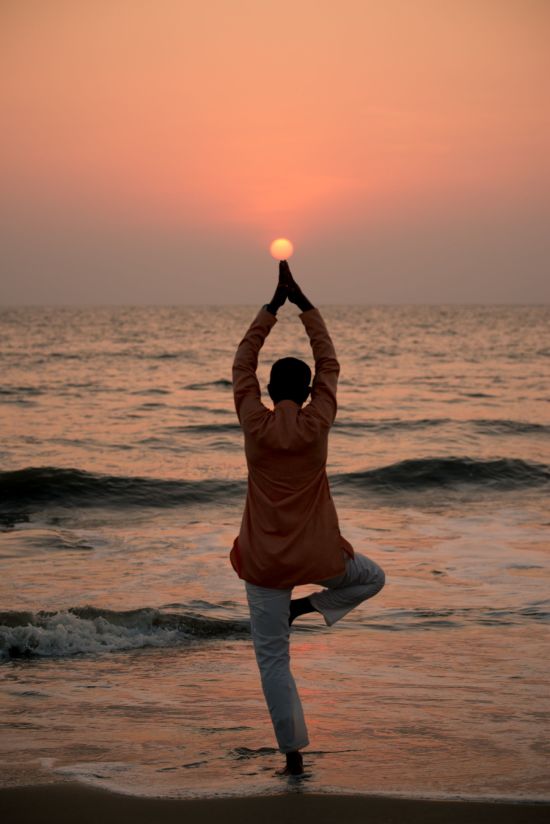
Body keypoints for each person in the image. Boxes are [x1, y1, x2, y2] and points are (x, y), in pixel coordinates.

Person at [230, 261, 385, 776]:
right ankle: (310, 607)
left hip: (264, 564)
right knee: (372, 578)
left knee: (274, 661)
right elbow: (330, 363)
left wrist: (271, 308)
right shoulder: (318, 422)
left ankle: (293, 755)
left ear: (269, 391)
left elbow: (242, 363)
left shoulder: (254, 423)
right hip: (318, 556)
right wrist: (304, 305)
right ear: (309, 391)